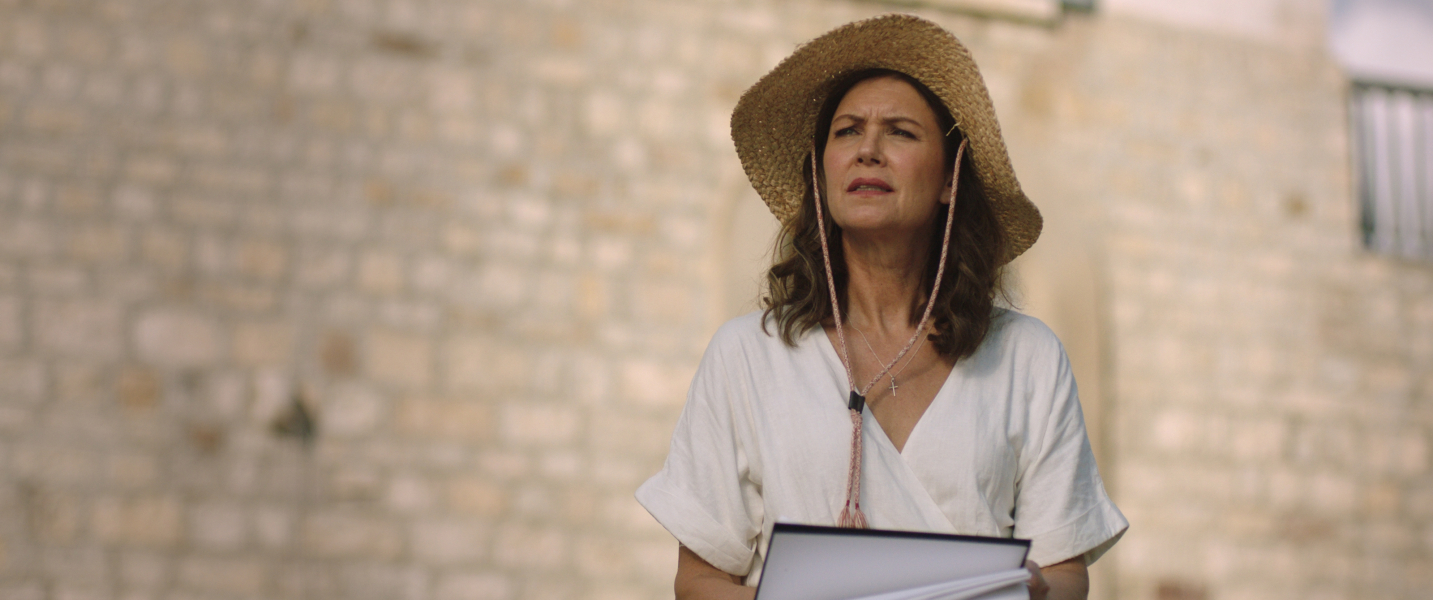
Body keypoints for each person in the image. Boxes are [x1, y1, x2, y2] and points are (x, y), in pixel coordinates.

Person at [636, 14, 1127, 600]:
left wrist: (1030, 591)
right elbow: (698, 582)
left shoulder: (1028, 359)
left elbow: (1066, 571)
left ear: (950, 179)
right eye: (846, 132)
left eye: (900, 132)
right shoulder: (745, 356)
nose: (867, 150)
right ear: (822, 173)